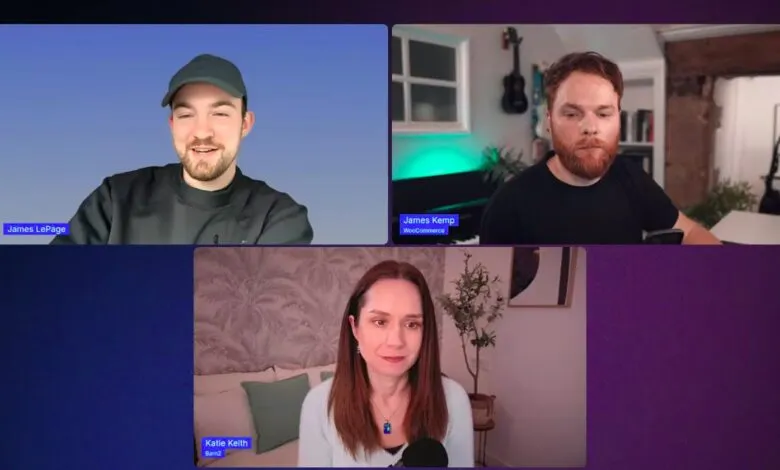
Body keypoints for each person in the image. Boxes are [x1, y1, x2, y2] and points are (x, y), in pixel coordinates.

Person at [51, 54, 313, 245]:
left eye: (220, 114)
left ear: (245, 124)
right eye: (187, 115)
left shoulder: (279, 217)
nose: (201, 132)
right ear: (172, 124)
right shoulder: (115, 199)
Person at [480, 52, 721, 245]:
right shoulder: (508, 206)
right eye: (572, 113)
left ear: (618, 119)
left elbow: (689, 232)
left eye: (603, 113)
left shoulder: (631, 177)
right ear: (549, 121)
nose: (590, 128)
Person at [298, 260, 474, 467]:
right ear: (355, 328)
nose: (396, 341)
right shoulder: (318, 404)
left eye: (411, 324)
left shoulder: (453, 400)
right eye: (380, 322)